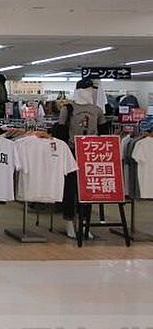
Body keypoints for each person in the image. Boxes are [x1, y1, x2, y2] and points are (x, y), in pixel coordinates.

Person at [58, 77, 107, 239]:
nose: (90, 92)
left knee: (88, 189)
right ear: (80, 90)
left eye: (92, 90)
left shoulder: (97, 110)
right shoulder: (67, 109)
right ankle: (69, 221)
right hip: (72, 152)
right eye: (87, 89)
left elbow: (103, 133)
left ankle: (85, 222)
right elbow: (61, 133)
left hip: (91, 153)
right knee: (70, 188)